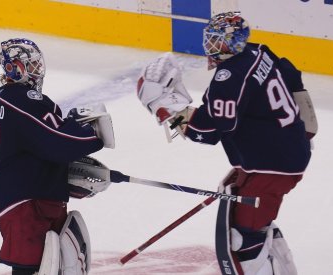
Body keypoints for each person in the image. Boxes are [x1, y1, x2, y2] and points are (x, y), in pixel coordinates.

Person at [136, 11, 317, 275]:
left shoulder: (230, 76)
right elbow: (291, 75)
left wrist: (162, 107)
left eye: (218, 41)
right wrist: (305, 133)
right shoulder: (260, 52)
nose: (211, 46)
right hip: (284, 155)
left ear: (235, 42)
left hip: (271, 168)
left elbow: (208, 131)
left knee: (243, 241)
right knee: (254, 228)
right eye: (210, 39)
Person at [0, 38, 114, 275]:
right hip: (23, 202)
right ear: (16, 68)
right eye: (31, 65)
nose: (38, 70)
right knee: (31, 270)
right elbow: (59, 144)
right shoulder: (23, 100)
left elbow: (38, 142)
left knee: (49, 267)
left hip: (27, 195)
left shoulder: (4, 96)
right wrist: (90, 133)